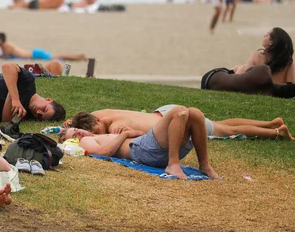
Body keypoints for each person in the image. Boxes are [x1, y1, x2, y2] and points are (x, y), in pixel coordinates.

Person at [69, 106, 220, 180]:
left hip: (152, 145)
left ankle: (204, 166)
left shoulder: (107, 124)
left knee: (195, 113)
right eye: (75, 135)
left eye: (78, 130)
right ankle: (173, 164)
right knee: (179, 111)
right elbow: (104, 153)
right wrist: (127, 134)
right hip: (143, 149)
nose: (80, 133)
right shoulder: (86, 141)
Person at [64, 106, 293, 141]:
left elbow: (116, 136)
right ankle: (270, 121)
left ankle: (276, 132)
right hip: (164, 112)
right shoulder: (100, 114)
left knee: (227, 130)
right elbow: (80, 118)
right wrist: (70, 124)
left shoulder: (114, 127)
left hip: (173, 120)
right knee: (219, 123)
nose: (97, 133)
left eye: (95, 130)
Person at [201, 64, 295, 99]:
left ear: (284, 84)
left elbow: (245, 70)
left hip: (212, 76)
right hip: (210, 85)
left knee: (240, 68)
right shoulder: (266, 95)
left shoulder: (265, 70)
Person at [0, 32, 87, 63]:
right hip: (35, 53)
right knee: (59, 57)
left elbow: (5, 55)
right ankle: (79, 57)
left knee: (59, 57)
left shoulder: (7, 46)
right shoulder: (6, 45)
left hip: (35, 54)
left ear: (2, 40)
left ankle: (79, 57)